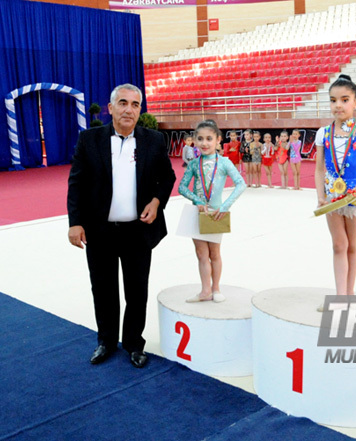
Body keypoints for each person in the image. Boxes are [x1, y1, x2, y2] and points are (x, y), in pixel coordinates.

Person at [67, 83, 176, 368]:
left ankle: (133, 343)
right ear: (111, 107)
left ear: (141, 110)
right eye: (123, 103)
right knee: (103, 289)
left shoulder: (153, 140)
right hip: (99, 231)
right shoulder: (89, 140)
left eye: (135, 104)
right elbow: (76, 184)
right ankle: (105, 341)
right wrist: (75, 222)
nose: (129, 109)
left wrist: (156, 202)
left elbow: (167, 178)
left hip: (138, 232)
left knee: (136, 290)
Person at [314, 74, 356, 310]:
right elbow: (320, 168)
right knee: (338, 244)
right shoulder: (324, 133)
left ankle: (349, 293)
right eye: (333, 100)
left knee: (352, 244)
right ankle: (340, 296)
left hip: (355, 196)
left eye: (344, 100)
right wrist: (320, 196)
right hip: (331, 198)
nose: (338, 105)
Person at [178, 120, 246, 303]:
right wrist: (198, 201)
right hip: (197, 213)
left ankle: (216, 288)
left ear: (218, 140)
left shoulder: (224, 162)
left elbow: (241, 184)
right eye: (200, 139)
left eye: (209, 138)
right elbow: (182, 187)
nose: (204, 143)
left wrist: (225, 207)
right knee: (201, 254)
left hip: (216, 214)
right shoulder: (193, 164)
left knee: (214, 253)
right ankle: (205, 290)